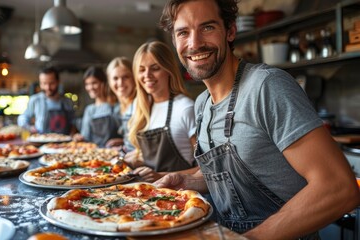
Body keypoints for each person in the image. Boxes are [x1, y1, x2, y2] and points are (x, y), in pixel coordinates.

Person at [154, 0, 360, 239]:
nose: (195, 43)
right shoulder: (202, 104)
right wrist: (188, 181)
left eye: (207, 27)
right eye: (183, 32)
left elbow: (339, 188)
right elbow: (233, 179)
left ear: (230, 31)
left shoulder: (266, 87)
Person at [125, 41, 198, 182]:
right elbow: (154, 159)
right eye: (141, 70)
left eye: (155, 68)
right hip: (146, 193)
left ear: (168, 70)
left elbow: (206, 169)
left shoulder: (185, 108)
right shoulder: (141, 107)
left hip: (182, 195)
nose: (147, 75)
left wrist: (160, 176)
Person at [17, 66, 77, 135]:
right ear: (40, 83)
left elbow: (73, 122)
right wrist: (30, 128)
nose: (47, 87)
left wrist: (73, 133)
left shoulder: (67, 101)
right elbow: (23, 117)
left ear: (58, 82)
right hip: (41, 141)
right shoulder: (35, 100)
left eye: (51, 83)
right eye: (44, 83)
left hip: (64, 143)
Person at [74, 66, 122, 148]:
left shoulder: (116, 106)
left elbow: (127, 135)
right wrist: (78, 138)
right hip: (94, 154)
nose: (90, 87)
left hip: (115, 153)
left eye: (94, 83)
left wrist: (121, 141)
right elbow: (85, 137)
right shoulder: (90, 110)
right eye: (87, 84)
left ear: (104, 83)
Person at [106, 57, 136, 151]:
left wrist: (121, 149)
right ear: (109, 82)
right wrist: (122, 142)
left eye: (125, 77)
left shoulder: (140, 104)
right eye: (115, 78)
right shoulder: (119, 107)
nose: (120, 83)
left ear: (134, 78)